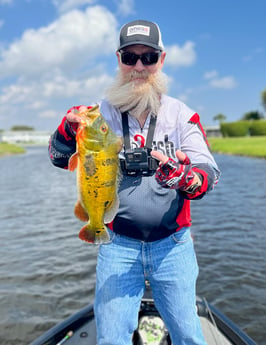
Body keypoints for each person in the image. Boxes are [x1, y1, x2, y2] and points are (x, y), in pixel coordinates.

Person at [49, 19, 220, 345]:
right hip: (117, 244)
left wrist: (186, 178)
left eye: (148, 57)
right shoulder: (97, 115)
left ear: (162, 60)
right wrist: (68, 131)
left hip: (173, 245)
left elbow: (207, 173)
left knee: (188, 335)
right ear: (119, 60)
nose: (139, 66)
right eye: (130, 58)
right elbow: (58, 158)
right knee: (112, 338)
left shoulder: (183, 116)